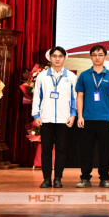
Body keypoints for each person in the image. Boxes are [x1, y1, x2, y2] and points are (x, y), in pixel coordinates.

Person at [31, 46, 77, 188]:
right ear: (50, 58)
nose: (57, 59)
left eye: (60, 56)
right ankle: (46, 179)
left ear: (65, 58)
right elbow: (36, 97)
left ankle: (57, 178)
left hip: (64, 119)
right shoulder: (42, 76)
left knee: (62, 150)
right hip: (46, 118)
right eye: (54, 56)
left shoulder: (71, 77)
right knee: (46, 150)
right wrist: (36, 115)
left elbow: (74, 98)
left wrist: (73, 115)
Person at [75, 45, 109, 188]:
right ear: (90, 57)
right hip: (87, 118)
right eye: (94, 55)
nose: (97, 57)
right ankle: (85, 178)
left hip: (105, 119)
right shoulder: (84, 75)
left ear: (105, 56)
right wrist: (80, 116)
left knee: (104, 151)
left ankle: (104, 178)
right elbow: (80, 96)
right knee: (86, 151)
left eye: (100, 55)